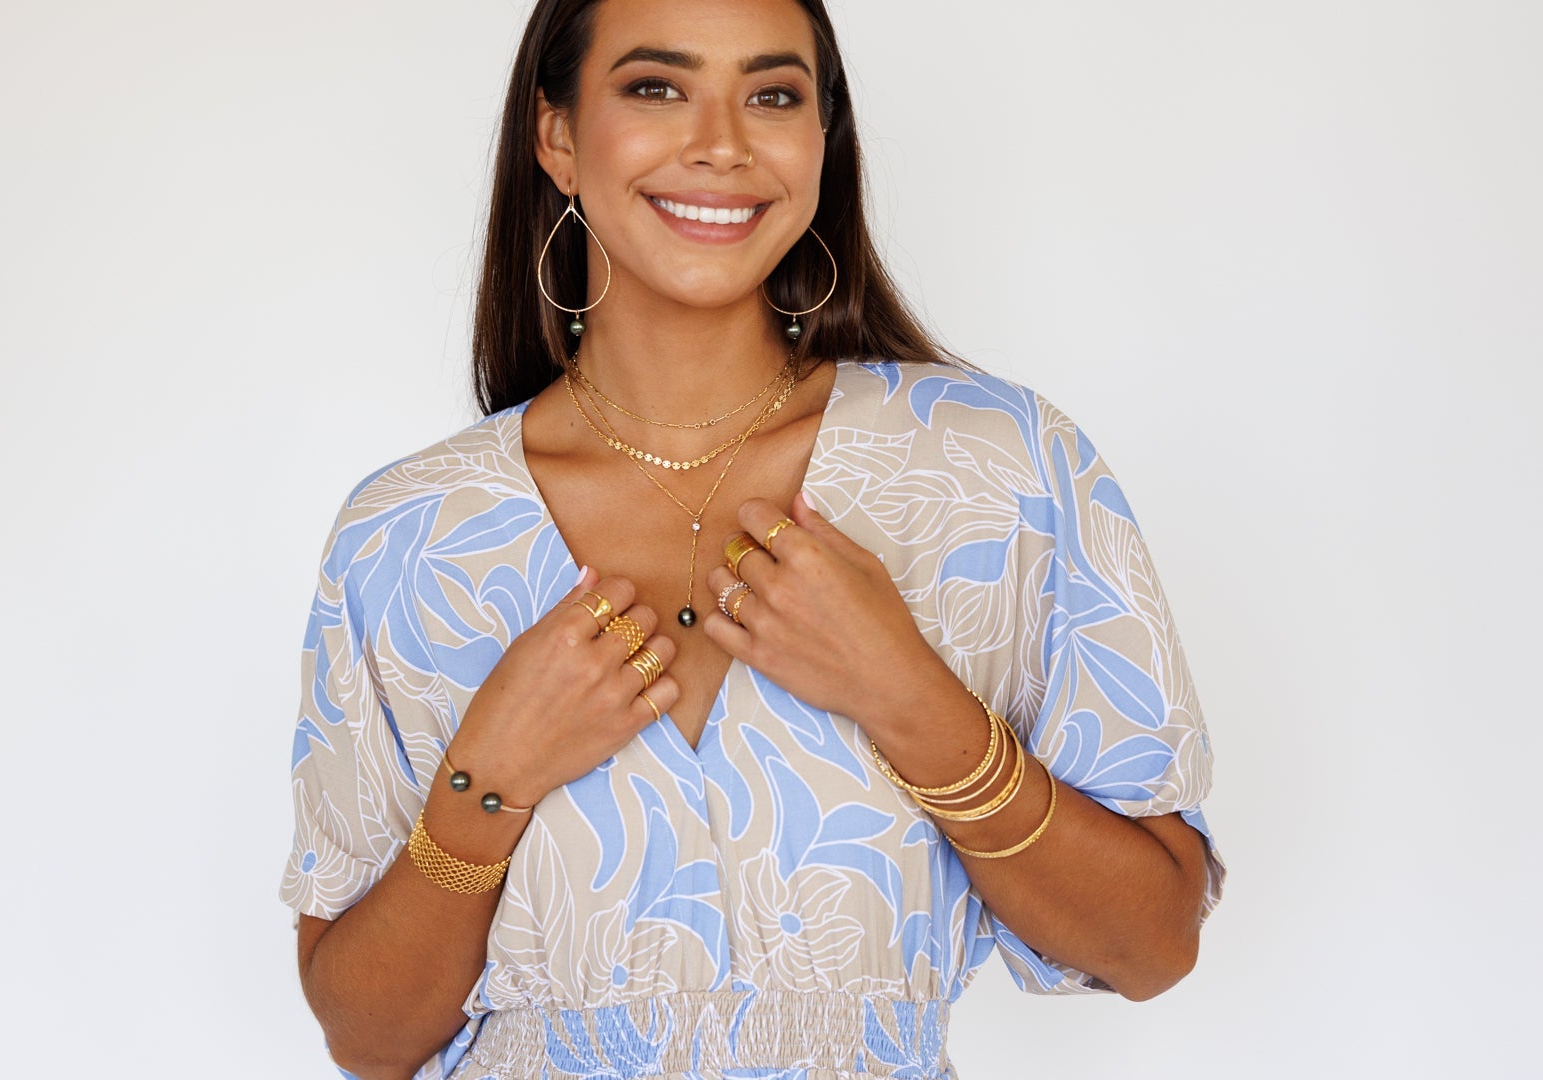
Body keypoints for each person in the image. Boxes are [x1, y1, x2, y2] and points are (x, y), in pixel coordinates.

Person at [279, 0, 1224, 1076]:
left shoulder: (996, 472)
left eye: (773, 95)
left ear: (821, 141)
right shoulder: (409, 535)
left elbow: (1150, 946)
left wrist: (909, 698)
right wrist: (485, 782)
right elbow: (369, 1039)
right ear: (558, 138)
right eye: (657, 88)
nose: (722, 143)